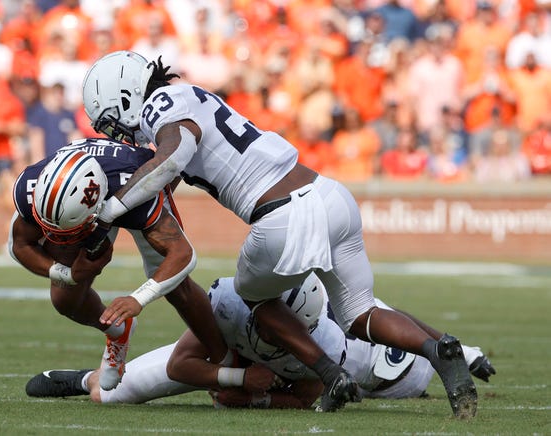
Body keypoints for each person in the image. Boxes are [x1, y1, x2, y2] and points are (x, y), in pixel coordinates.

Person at [80, 50, 479, 418]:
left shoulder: (160, 105)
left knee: (253, 298)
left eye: (113, 120)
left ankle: (330, 374)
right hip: (329, 194)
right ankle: (439, 348)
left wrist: (109, 211)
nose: (119, 132)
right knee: (359, 314)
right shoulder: (189, 96)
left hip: (283, 214)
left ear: (128, 93)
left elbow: (176, 152)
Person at [25, 275, 495, 408]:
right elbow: (181, 364)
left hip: (373, 370)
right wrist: (238, 376)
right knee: (111, 393)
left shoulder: (331, 346)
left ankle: (88, 382)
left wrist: (261, 399)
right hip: (226, 351)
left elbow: (313, 390)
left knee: (390, 336)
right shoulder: (233, 303)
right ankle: (82, 378)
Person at [8, 138, 227, 392]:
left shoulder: (137, 194)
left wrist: (138, 299)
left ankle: (223, 359)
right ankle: (117, 330)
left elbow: (182, 254)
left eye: (68, 231)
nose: (56, 238)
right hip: (87, 197)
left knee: (176, 287)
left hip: (127, 188)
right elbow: (20, 245)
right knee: (64, 299)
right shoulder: (32, 184)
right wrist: (65, 274)